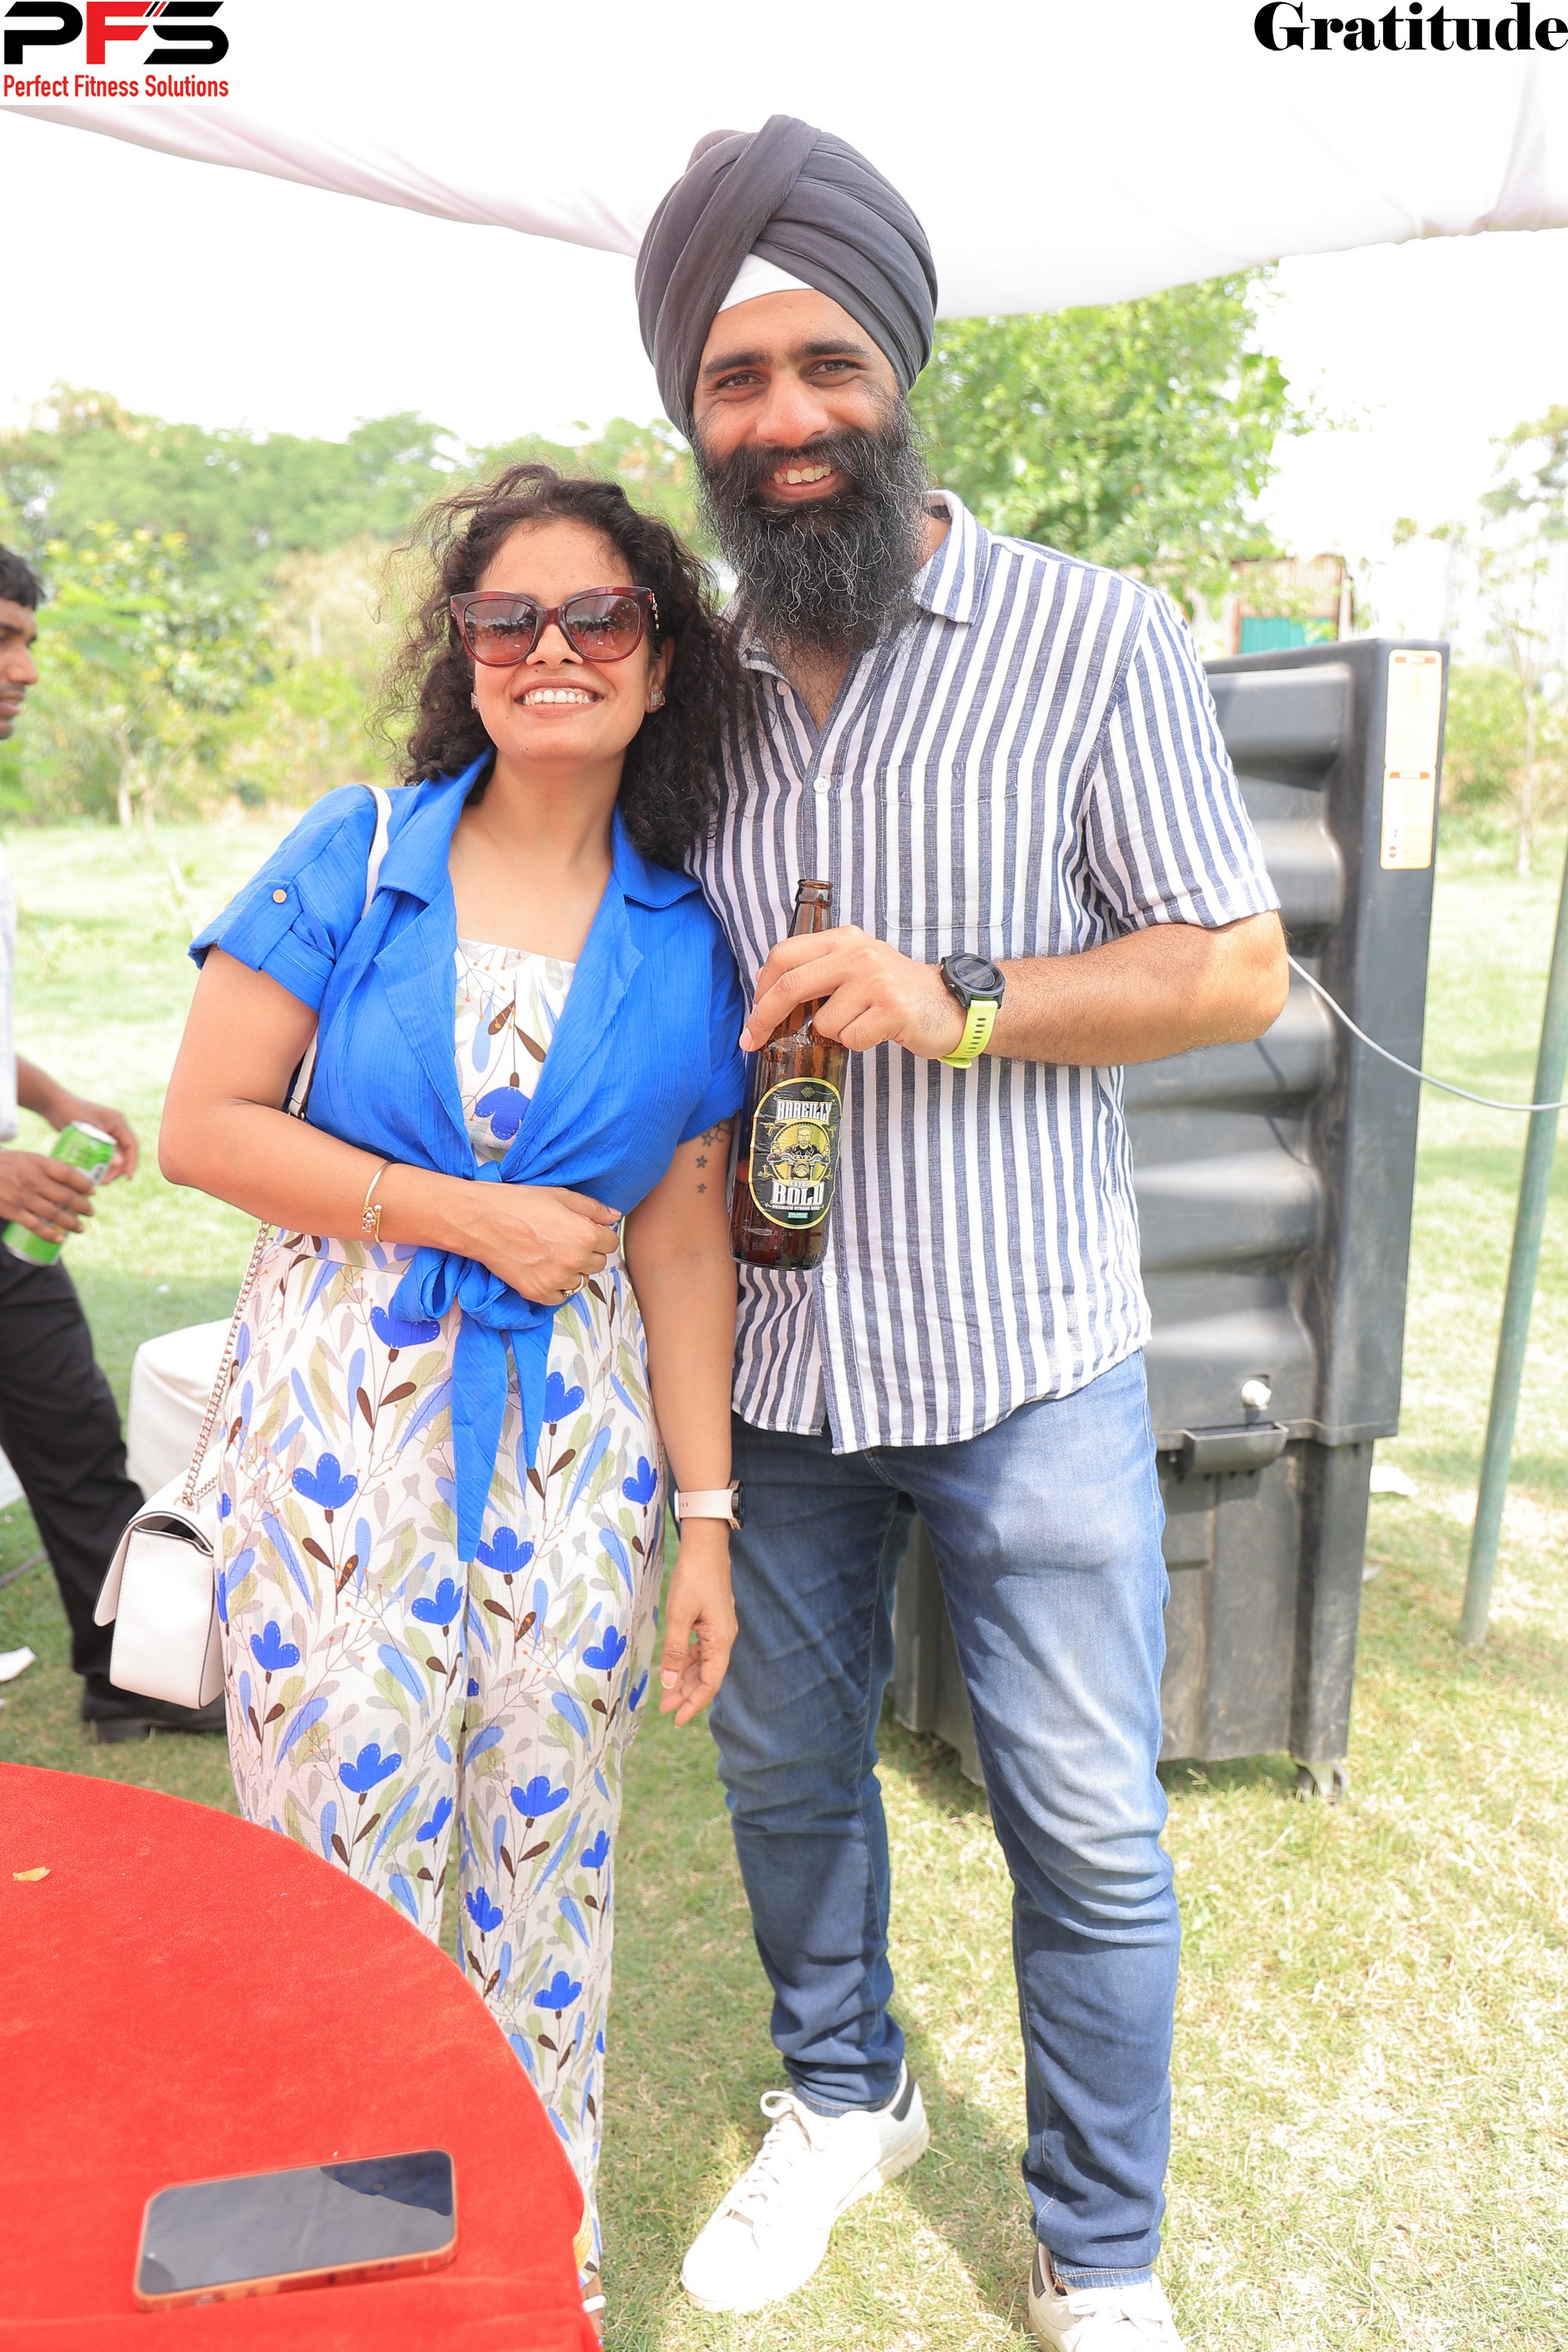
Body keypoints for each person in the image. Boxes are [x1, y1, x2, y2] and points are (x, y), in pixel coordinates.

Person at [635, 122, 1290, 2350]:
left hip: (1027, 1355)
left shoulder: (1090, 635)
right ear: (692, 412)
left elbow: (1233, 966)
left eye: (828, 363)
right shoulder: (682, 679)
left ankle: (1101, 2254)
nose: (788, 416)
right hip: (773, 1376)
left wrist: (962, 996)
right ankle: (849, 2100)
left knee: (1084, 1825)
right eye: (737, 380)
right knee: (784, 1774)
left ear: (901, 369)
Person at [158, 468, 746, 2330]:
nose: (551, 648)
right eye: (508, 617)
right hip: (340, 1443)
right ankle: (328, 2291)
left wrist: (706, 1525)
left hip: (576, 1472)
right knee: (334, 1863)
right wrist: (463, 1212)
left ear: (662, 659)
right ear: (464, 651)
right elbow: (204, 1127)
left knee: (544, 1876)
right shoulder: (358, 854)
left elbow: (684, 1250)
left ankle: (518, 2284)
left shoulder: (685, 935)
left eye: (599, 616)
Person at [0, 545, 220, 1741]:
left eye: (28, 641)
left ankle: (125, 1675)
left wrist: (52, 1099)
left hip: (13, 1223)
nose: (26, 669)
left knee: (77, 1437)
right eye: (2, 641)